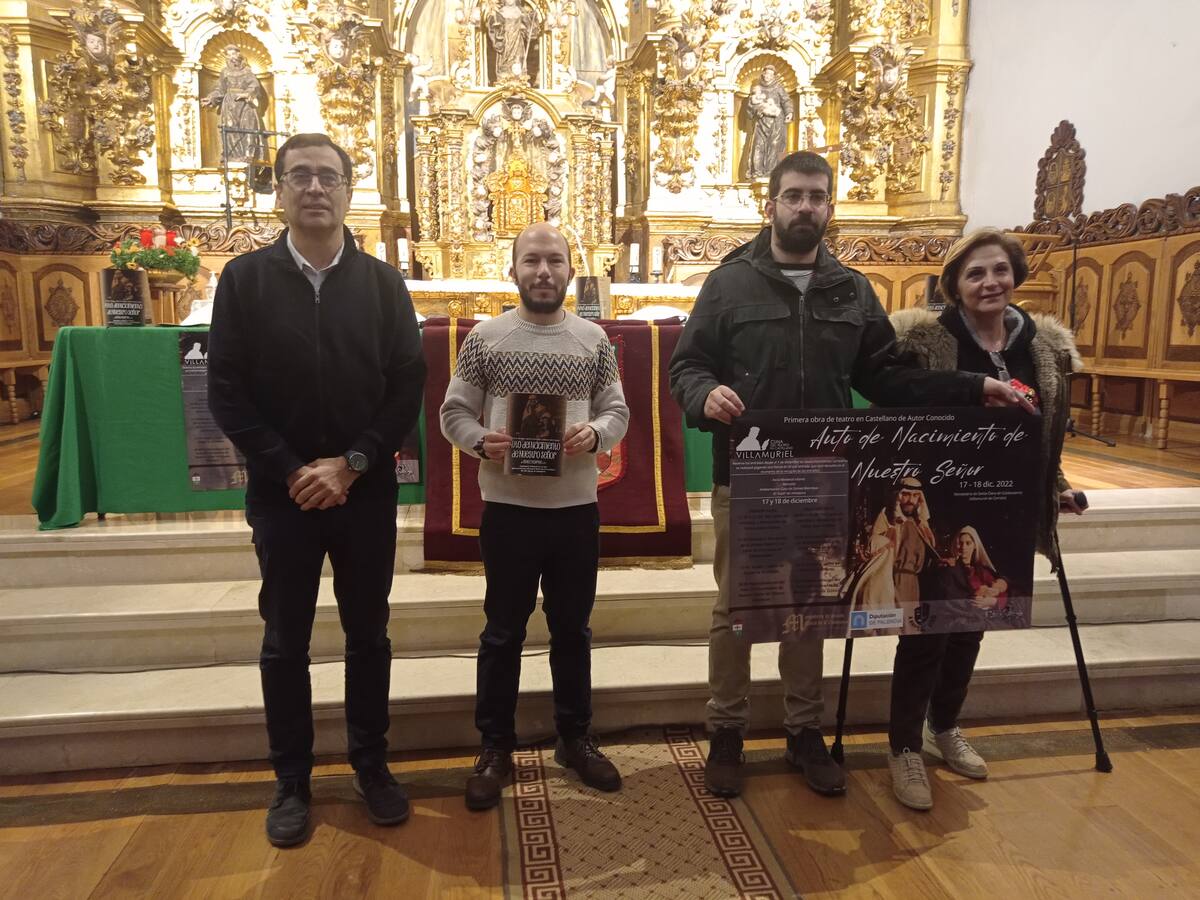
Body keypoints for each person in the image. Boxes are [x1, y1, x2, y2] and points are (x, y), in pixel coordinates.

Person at [668, 151, 1035, 801]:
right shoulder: (728, 285)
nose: (804, 207)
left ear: (829, 207)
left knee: (810, 605)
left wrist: (974, 386)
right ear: (771, 204)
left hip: (823, 475)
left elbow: (889, 377)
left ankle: (803, 732)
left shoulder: (852, 290)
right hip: (750, 473)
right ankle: (727, 730)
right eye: (793, 196)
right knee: (737, 609)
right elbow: (688, 365)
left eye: (816, 196)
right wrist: (705, 395)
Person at [207, 133, 426, 847]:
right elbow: (227, 393)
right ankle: (292, 780)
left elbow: (405, 386)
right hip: (284, 496)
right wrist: (293, 469)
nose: (313, 188)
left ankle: (371, 764)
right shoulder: (242, 281)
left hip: (362, 493)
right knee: (284, 641)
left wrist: (354, 463)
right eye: (298, 176)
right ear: (279, 192)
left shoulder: (384, 284)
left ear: (348, 191)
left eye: (327, 177)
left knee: (369, 636)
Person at [885, 226, 1085, 811]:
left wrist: (1059, 489)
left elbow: (1044, 434)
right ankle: (903, 748)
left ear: (1015, 275)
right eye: (974, 273)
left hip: (1003, 504)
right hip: (938, 502)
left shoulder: (1044, 347)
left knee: (974, 621)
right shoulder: (923, 341)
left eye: (998, 270)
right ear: (954, 284)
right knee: (924, 628)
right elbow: (894, 399)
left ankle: (942, 726)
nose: (989, 282)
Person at [440, 221, 630, 811]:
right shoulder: (486, 339)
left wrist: (595, 432)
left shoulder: (593, 340)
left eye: (554, 261)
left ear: (572, 270)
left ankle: (575, 738)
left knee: (572, 631)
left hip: (575, 510)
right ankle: (494, 746)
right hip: (510, 511)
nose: (543, 272)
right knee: (503, 632)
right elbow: (453, 412)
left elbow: (618, 410)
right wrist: (480, 441)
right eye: (531, 261)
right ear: (514, 269)